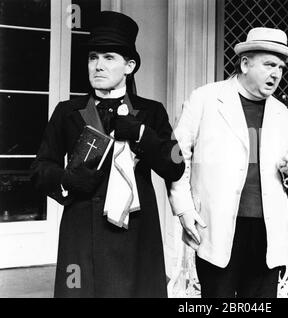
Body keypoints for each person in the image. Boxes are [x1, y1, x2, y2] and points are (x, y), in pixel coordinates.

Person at [31, 11, 185, 297]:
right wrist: (67, 179)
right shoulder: (68, 112)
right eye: (93, 57)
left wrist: (141, 134)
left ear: (129, 66)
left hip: (137, 235)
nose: (97, 66)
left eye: (108, 58)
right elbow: (40, 170)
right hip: (81, 235)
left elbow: (175, 164)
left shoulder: (152, 111)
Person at [169, 27, 288, 298]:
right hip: (217, 227)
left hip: (266, 232)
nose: (275, 73)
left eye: (280, 67)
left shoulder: (282, 115)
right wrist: (183, 209)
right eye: (268, 64)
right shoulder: (205, 99)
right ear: (244, 63)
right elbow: (176, 157)